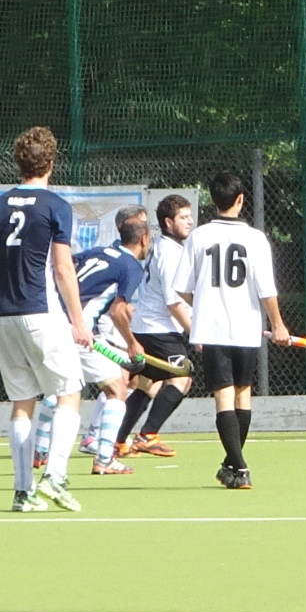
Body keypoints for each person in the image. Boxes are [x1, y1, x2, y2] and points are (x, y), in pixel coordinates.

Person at [0, 126, 92, 512]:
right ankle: (55, 476)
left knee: (23, 402)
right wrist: (79, 321)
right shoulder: (55, 205)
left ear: (19, 163)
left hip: (6, 317)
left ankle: (23, 492)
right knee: (69, 392)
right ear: (51, 162)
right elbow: (63, 269)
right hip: (42, 313)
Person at [174, 170, 290, 488]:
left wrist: (204, 302)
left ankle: (238, 467)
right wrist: (278, 324)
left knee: (224, 396)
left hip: (212, 329)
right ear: (241, 200)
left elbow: (182, 288)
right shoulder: (256, 239)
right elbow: (267, 290)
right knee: (242, 393)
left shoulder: (199, 236)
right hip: (247, 328)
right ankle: (234, 466)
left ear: (212, 200)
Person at [34, 207, 151, 475]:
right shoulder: (131, 266)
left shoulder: (99, 252)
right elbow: (118, 311)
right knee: (117, 389)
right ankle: (104, 458)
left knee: (60, 387)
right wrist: (132, 343)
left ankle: (39, 451)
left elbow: (67, 266)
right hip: (81, 332)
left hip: (56, 324)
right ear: (144, 239)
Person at [116, 194, 195, 458]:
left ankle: (117, 441)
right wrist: (195, 333)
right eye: (183, 217)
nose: (190, 221)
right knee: (182, 378)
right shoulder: (171, 254)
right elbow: (174, 303)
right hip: (160, 330)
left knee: (147, 385)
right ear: (168, 222)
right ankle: (147, 435)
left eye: (190, 216)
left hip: (145, 327)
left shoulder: (162, 246)